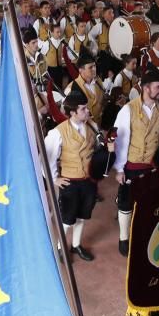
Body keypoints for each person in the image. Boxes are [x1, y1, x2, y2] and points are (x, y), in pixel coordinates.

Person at [113, 69, 159, 255]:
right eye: (158, 86)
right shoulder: (128, 110)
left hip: (152, 164)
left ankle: (144, 233)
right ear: (146, 88)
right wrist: (119, 169)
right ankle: (124, 238)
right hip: (132, 164)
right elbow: (120, 141)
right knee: (126, 202)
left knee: (148, 201)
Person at [45, 92, 114, 262]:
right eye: (83, 109)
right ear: (72, 113)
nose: (87, 111)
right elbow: (46, 158)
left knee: (83, 215)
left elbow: (98, 147)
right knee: (68, 219)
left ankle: (76, 245)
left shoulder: (92, 126)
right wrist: (54, 178)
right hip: (71, 182)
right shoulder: (58, 132)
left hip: (89, 180)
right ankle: (61, 247)